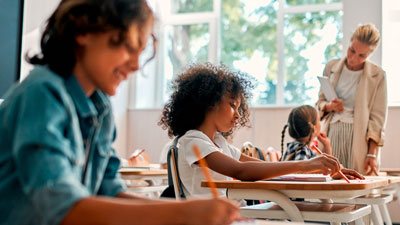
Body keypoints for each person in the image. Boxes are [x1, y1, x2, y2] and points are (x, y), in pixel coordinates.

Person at [0, 1, 239, 225]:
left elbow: (110, 192)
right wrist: (182, 212)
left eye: (141, 52)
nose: (136, 65)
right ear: (83, 30)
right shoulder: (41, 95)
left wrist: (188, 212)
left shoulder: (99, 107)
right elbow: (61, 207)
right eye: (128, 47)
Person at [159, 63, 344, 198]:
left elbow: (261, 167)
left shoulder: (219, 143)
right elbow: (241, 171)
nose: (238, 115)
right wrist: (306, 165)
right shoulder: (193, 141)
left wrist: (321, 171)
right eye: (233, 105)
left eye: (239, 108)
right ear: (209, 102)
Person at [316, 24, 387, 175]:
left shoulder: (378, 76)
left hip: (358, 138)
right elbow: (320, 103)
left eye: (361, 55)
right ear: (349, 43)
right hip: (331, 134)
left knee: (356, 184)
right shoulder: (331, 67)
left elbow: (378, 120)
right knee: (329, 181)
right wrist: (330, 106)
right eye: (352, 50)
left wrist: (371, 154)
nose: (354, 58)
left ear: (370, 55)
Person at [280, 105, 364, 180]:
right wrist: (330, 173)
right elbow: (298, 172)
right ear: (314, 128)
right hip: (296, 197)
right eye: (318, 120)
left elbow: (325, 164)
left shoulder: (296, 147)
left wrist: (327, 146)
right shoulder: (302, 150)